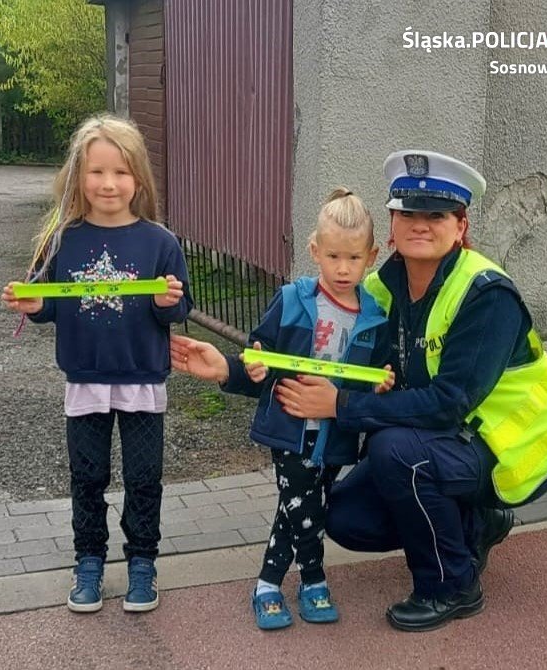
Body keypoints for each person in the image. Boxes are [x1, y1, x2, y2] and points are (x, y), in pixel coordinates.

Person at [272, 150, 547, 632]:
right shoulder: (379, 288)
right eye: (408, 214)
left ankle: (451, 586)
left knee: (396, 450)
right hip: (446, 440)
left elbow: (449, 404)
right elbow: (315, 335)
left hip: (516, 446)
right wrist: (236, 368)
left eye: (436, 214)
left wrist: (340, 405)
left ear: (460, 225)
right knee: (347, 518)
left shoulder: (487, 293)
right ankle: (475, 526)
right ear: (391, 226)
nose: (421, 225)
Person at [171, 188, 393, 630]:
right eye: (333, 256)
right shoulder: (292, 299)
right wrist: (251, 367)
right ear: (314, 251)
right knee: (303, 504)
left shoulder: (376, 317)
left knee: (300, 506)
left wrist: (382, 385)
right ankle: (312, 579)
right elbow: (262, 352)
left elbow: (376, 384)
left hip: (338, 434)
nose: (343, 268)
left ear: (371, 256)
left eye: (353, 258)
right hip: (289, 426)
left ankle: (268, 583)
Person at [1, 114, 192, 614]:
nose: (108, 183)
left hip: (142, 380)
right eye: (96, 172)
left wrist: (168, 300)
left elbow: (177, 310)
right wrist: (33, 304)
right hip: (84, 380)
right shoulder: (62, 239)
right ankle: (88, 561)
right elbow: (52, 307)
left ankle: (142, 563)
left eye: (121, 172)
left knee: (144, 477)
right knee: (87, 477)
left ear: (138, 180)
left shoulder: (160, 242)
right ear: (77, 178)